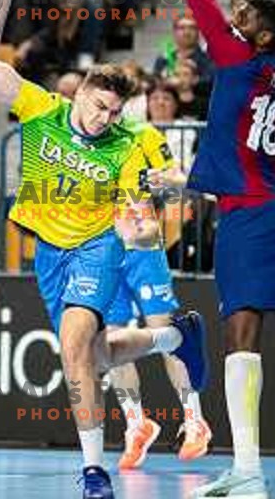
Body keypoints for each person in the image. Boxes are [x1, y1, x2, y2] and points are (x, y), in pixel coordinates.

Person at [0, 0, 209, 499]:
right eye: (99, 107)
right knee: (95, 356)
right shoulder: (42, 109)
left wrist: (149, 206)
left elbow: (156, 196)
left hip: (97, 248)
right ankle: (174, 336)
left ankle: (94, 471)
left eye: (113, 110)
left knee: (77, 348)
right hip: (49, 253)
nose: (104, 118)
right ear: (78, 94)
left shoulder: (127, 141)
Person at [163, 0, 275, 498]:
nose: (234, 19)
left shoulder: (236, 60)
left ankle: (250, 470)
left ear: (260, 37)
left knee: (242, 338)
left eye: (245, 17)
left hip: (250, 215)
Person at [104, 122, 212, 470]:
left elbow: (179, 178)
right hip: (102, 251)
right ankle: (137, 425)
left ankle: (194, 420)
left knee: (166, 332)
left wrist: (165, 181)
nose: (106, 113)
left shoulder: (144, 134)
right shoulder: (81, 141)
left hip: (143, 244)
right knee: (110, 341)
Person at [153, 17, 215, 91]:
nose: (187, 32)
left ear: (198, 33)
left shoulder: (209, 59)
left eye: (192, 28)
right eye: (182, 28)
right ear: (174, 32)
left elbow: (211, 82)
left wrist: (185, 82)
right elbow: (155, 82)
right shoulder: (163, 59)